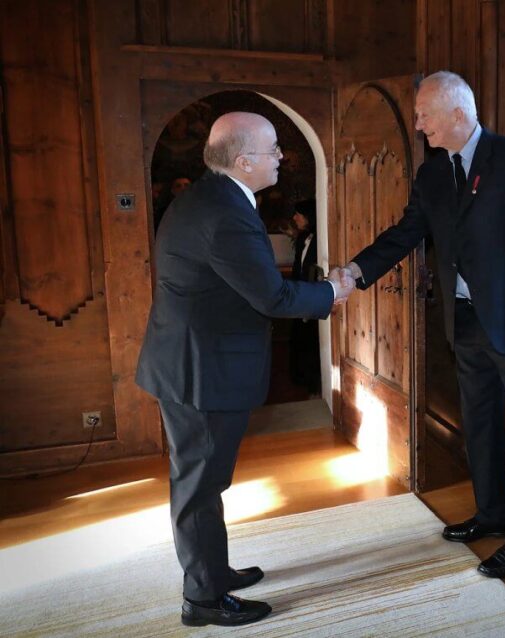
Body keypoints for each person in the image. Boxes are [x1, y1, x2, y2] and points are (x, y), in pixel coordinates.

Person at [343, 71, 505, 579]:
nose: (418, 125)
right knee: (481, 423)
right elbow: (406, 234)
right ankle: (492, 513)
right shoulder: (432, 175)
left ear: (458, 113)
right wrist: (357, 272)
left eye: (424, 115)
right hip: (463, 322)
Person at [136, 112, 354, 627]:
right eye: (274, 148)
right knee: (198, 487)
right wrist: (332, 291)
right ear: (243, 161)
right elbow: (273, 295)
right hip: (200, 372)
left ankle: (214, 571)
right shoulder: (226, 212)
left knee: (204, 482)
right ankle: (204, 600)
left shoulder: (211, 197)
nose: (282, 155)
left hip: (192, 361)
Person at [289, 199, 321, 395]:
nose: (295, 218)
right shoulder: (302, 239)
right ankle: (301, 377)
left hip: (313, 296)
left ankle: (313, 382)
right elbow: (298, 269)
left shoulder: (320, 240)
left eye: (298, 214)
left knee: (312, 341)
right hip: (300, 295)